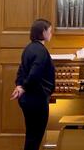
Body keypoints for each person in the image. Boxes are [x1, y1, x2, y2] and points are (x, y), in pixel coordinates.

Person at [11, 19, 55, 150]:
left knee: (31, 134)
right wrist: (23, 87)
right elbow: (35, 73)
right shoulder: (41, 50)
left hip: (28, 99)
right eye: (50, 31)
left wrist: (19, 85)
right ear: (43, 32)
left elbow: (21, 69)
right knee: (35, 136)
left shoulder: (29, 48)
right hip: (36, 99)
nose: (51, 33)